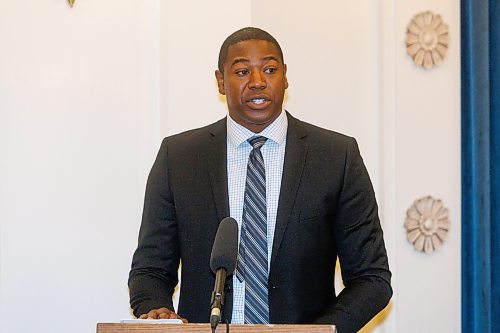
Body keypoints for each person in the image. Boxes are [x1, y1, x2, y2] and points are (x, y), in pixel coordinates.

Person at [128, 27, 392, 333]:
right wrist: (156, 310)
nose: (257, 82)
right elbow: (149, 270)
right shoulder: (179, 157)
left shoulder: (336, 156)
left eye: (269, 69)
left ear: (285, 76)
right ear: (221, 81)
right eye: (242, 71)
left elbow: (372, 279)